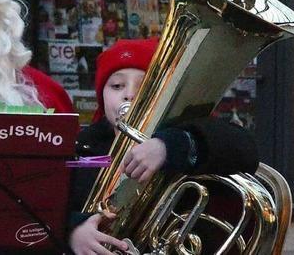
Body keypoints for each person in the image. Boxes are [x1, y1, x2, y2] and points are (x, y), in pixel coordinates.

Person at [68, 38, 259, 255]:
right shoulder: (79, 148)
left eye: (143, 86)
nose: (129, 94)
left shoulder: (188, 129)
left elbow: (245, 149)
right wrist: (73, 231)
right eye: (116, 86)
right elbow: (48, 212)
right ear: (102, 95)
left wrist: (169, 146)